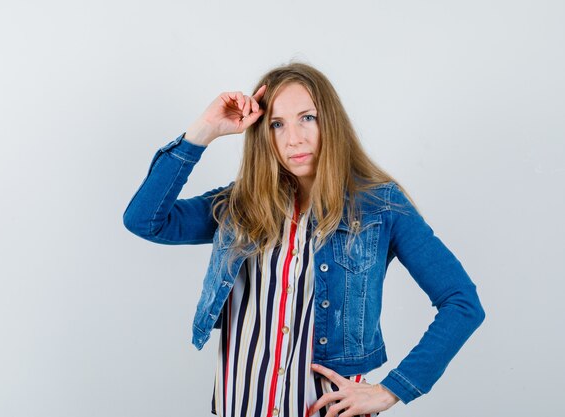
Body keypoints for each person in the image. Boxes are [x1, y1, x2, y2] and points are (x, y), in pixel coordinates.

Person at [123, 62, 486, 417]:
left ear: (331, 122)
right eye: (277, 124)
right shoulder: (242, 204)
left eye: (307, 118)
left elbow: (461, 302)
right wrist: (203, 130)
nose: (293, 138)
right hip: (242, 404)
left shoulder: (380, 206)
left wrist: (393, 389)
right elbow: (145, 220)